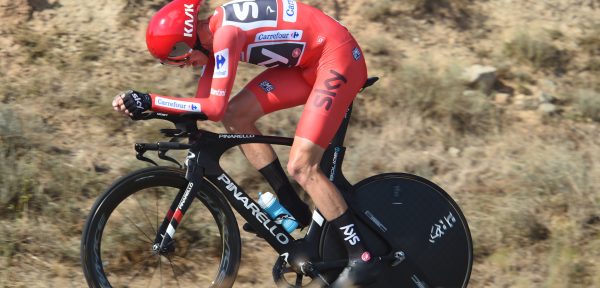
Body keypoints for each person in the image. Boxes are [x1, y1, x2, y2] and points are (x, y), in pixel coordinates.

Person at [112, 0, 377, 285]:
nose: (185, 66)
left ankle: (361, 256)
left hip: (336, 58)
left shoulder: (226, 34)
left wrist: (151, 99)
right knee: (236, 115)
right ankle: (293, 206)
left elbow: (211, 108)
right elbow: (202, 107)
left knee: (302, 166)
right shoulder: (210, 42)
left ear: (187, 42)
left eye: (182, 59)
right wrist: (148, 109)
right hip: (307, 64)